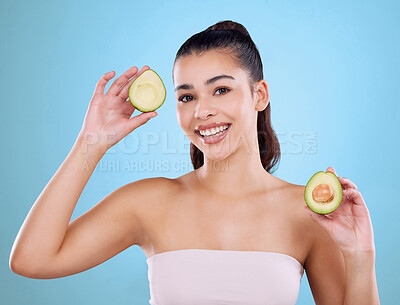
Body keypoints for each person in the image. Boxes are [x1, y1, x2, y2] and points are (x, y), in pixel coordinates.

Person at [9, 20, 379, 304]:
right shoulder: (149, 202)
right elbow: (32, 260)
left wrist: (361, 257)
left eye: (221, 89)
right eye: (186, 97)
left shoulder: (310, 214)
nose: (202, 111)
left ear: (259, 95)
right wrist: (90, 144)